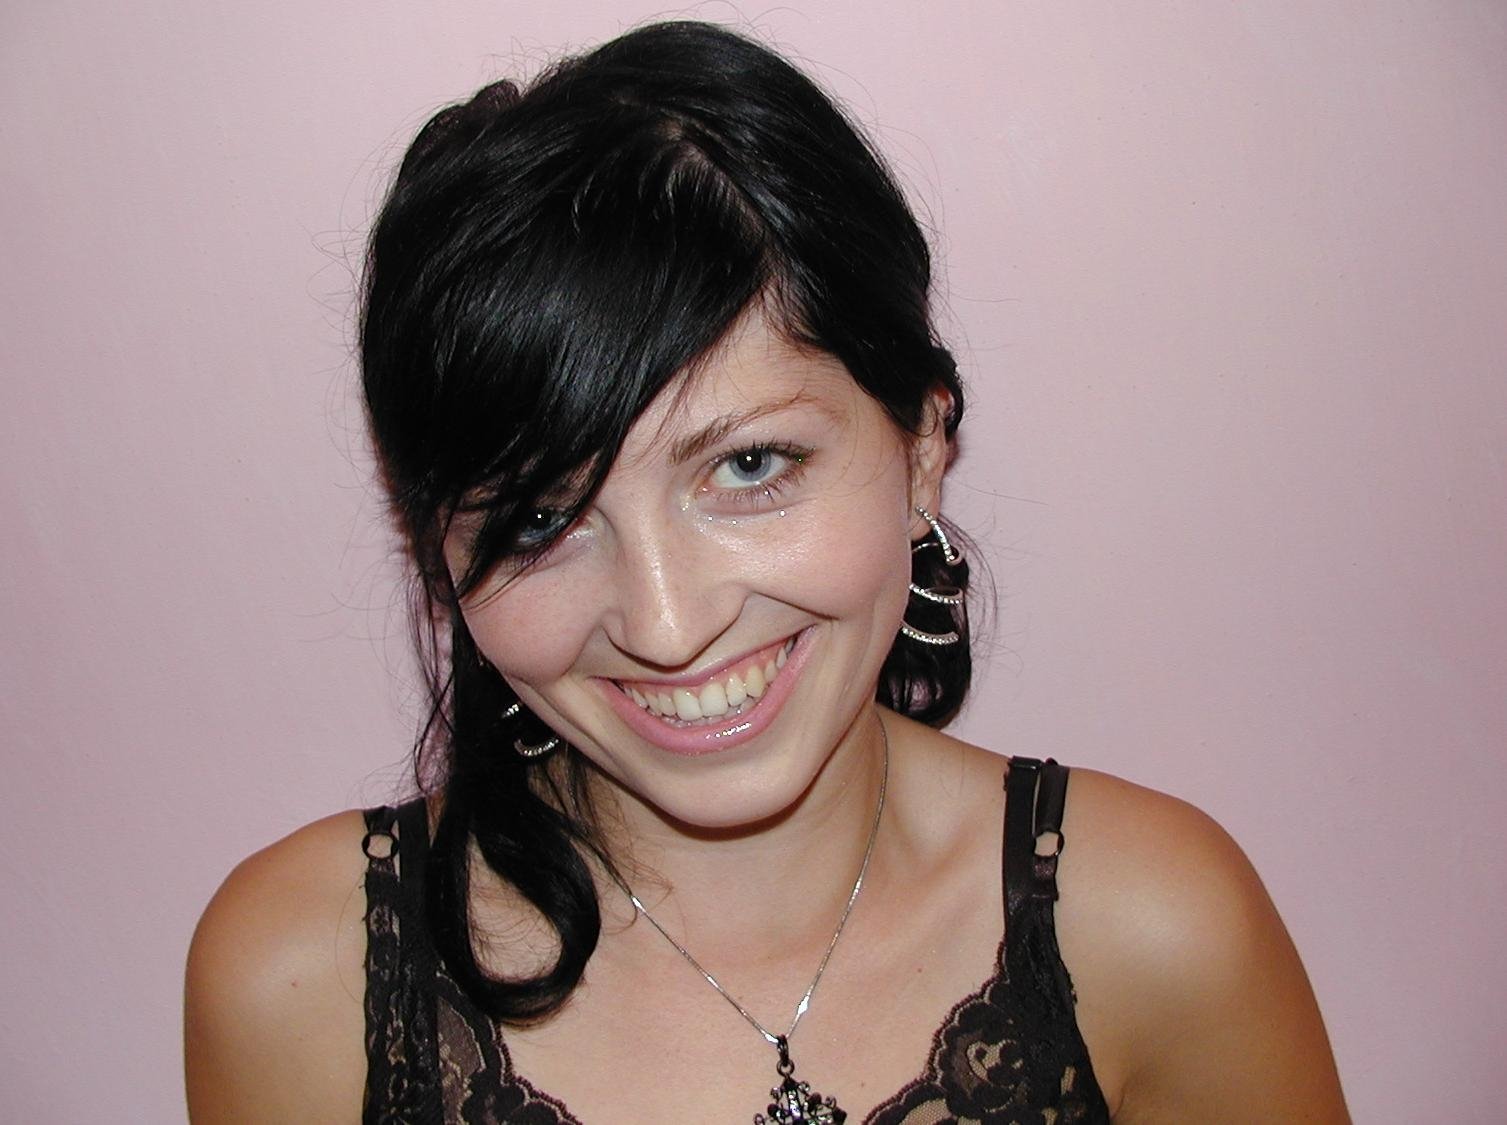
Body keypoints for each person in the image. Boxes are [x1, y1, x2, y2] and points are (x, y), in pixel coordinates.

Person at [184, 21, 1349, 1124]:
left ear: (921, 447)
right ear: (438, 549)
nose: (667, 623)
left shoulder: (1154, 928)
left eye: (748, 466)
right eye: (541, 519)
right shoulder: (301, 980)